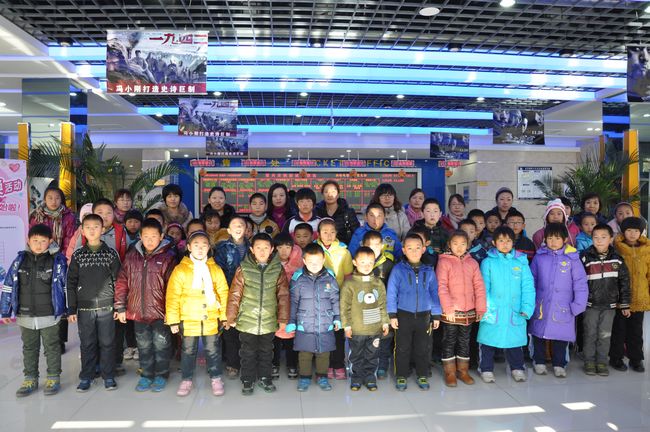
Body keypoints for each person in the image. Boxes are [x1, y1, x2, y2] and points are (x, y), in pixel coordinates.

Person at [1, 224, 67, 397]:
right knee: (29, 348)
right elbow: (9, 285)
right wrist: (5, 310)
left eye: (43, 241)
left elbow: (65, 286)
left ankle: (53, 377)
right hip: (25, 314)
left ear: (50, 241)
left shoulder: (57, 261)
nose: (38, 244)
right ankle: (30, 378)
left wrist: (68, 309)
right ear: (28, 241)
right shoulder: (19, 261)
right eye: (35, 240)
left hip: (49, 315)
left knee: (52, 347)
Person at [114, 218, 177, 392]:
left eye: (154, 236)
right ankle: (147, 374)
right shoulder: (132, 255)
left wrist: (172, 312)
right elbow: (122, 281)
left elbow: (173, 287)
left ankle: (162, 374)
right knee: (143, 346)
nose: (149, 240)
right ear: (140, 237)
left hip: (160, 313)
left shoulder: (168, 257)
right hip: (138, 311)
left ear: (161, 236)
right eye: (146, 236)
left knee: (162, 345)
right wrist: (120, 306)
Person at [166, 230, 229, 397]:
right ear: (189, 247)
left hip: (211, 317)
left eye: (204, 245)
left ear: (209, 248)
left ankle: (216, 377)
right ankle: (186, 379)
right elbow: (173, 296)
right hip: (188, 319)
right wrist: (173, 320)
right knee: (188, 350)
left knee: (213, 350)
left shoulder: (215, 269)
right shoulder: (180, 270)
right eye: (196, 245)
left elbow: (223, 293)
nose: (200, 249)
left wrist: (224, 316)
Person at [226, 233, 290, 395]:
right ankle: (247, 379)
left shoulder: (277, 269)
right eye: (258, 248)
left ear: (272, 249)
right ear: (252, 250)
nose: (262, 251)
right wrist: (231, 317)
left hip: (268, 320)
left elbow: (283, 295)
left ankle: (265, 377)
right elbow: (235, 294)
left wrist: (283, 319)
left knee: (267, 352)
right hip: (247, 320)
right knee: (247, 352)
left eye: (266, 248)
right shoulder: (243, 268)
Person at [67, 214, 121, 392]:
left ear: (103, 229)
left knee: (107, 342)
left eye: (96, 227)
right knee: (87, 343)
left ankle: (108, 376)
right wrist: (71, 309)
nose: (92, 230)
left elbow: (119, 281)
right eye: (88, 227)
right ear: (82, 231)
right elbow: (71, 283)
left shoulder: (110, 254)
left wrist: (119, 306)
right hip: (84, 308)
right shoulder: (78, 255)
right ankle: (86, 376)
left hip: (107, 307)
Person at [529, 223, 588, 378]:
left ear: (565, 240)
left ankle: (559, 364)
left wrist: (578, 305)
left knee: (560, 336)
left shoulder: (572, 259)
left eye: (557, 238)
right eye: (549, 238)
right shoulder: (539, 257)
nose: (553, 242)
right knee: (538, 334)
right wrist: (530, 302)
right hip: (541, 304)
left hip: (563, 305)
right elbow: (531, 281)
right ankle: (539, 361)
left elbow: (580, 283)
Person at [477, 226, 535, 384]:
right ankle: (486, 368)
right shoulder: (488, 262)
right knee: (488, 341)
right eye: (501, 241)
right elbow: (483, 288)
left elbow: (528, 287)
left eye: (508, 241)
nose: (505, 244)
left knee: (514, 341)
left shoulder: (521, 262)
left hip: (514, 310)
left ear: (513, 242)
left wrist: (527, 307)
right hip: (492, 310)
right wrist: (484, 308)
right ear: (494, 242)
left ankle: (517, 367)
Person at [387, 234, 441, 391]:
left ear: (423, 249)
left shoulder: (429, 270)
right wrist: (392, 314)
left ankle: (422, 374)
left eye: (418, 248)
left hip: (424, 315)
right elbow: (391, 293)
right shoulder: (398, 270)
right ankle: (401, 375)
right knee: (402, 347)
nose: (414, 251)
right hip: (403, 314)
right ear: (404, 250)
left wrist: (436, 314)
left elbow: (434, 293)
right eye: (410, 248)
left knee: (423, 347)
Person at [286, 243, 340, 392]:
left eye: (317, 261)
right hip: (305, 322)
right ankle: (304, 377)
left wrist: (337, 317)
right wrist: (292, 321)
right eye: (310, 262)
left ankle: (322, 376)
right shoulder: (298, 278)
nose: (314, 265)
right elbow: (293, 301)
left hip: (325, 322)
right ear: (304, 261)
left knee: (324, 352)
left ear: (323, 260)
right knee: (305, 352)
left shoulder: (330, 277)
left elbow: (335, 299)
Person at [436, 230, 486, 387]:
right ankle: (450, 372)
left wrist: (480, 308)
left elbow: (479, 287)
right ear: (449, 244)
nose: (459, 247)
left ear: (468, 245)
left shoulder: (472, 263)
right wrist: (448, 308)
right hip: (451, 312)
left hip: (468, 311)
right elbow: (441, 286)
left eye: (463, 244)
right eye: (455, 243)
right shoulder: (444, 262)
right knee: (449, 341)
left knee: (464, 341)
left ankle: (463, 371)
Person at [580, 223, 631, 376]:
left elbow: (624, 282)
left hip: (610, 306)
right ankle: (589, 361)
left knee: (605, 334)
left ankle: (602, 362)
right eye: (596, 237)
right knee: (590, 333)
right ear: (592, 239)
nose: (599, 240)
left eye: (603, 237)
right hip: (590, 305)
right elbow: (578, 282)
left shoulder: (617, 259)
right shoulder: (585, 257)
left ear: (611, 239)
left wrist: (625, 304)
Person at [30, 186, 76, 353]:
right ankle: (49, 339)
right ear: (44, 199)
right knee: (46, 300)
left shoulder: (69, 216)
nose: (53, 201)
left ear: (61, 199)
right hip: (41, 260)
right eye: (50, 198)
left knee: (60, 299)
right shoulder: (36, 216)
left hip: (61, 261)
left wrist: (60, 259)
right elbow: (34, 238)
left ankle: (60, 340)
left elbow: (70, 240)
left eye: (57, 198)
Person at [340, 246, 390, 391]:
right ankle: (356, 377)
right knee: (356, 356)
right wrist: (347, 326)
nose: (367, 266)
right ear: (355, 262)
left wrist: (385, 322)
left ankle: (369, 377)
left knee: (372, 355)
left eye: (370, 262)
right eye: (363, 262)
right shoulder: (349, 283)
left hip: (374, 329)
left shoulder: (378, 283)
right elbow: (344, 307)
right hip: (356, 329)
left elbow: (382, 304)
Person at [611, 217, 650, 372]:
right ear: (623, 231)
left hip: (640, 297)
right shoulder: (616, 249)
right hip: (621, 298)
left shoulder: (647, 249)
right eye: (629, 230)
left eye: (636, 231)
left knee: (636, 331)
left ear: (641, 232)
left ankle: (636, 359)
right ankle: (616, 358)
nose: (632, 234)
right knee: (619, 330)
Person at [315, 218, 353, 380]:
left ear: (336, 233)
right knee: (323, 332)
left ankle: (338, 364)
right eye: (325, 232)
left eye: (332, 232)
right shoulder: (314, 249)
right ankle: (326, 365)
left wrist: (345, 297)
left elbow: (348, 276)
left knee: (338, 332)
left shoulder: (344, 251)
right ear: (319, 233)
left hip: (337, 298)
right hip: (319, 298)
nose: (329, 235)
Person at [213, 216, 249, 379]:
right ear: (228, 230)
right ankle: (233, 364)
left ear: (246, 229)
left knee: (245, 331)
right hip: (228, 294)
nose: (238, 228)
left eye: (241, 225)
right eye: (234, 225)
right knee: (229, 330)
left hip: (248, 295)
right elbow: (218, 272)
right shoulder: (222, 248)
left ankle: (245, 362)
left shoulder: (253, 247)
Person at [362, 230, 395, 378]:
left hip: (384, 307)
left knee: (385, 337)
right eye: (369, 245)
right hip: (365, 308)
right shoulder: (359, 262)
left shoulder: (389, 263)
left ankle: (382, 364)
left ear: (382, 246)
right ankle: (367, 364)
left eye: (376, 245)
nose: (373, 249)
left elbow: (393, 287)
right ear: (363, 246)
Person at [273, 232, 302, 379]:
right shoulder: (270, 265)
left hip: (292, 306)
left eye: (287, 247)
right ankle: (274, 364)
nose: (284, 251)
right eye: (280, 247)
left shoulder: (299, 266)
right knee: (274, 337)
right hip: (274, 306)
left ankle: (292, 364)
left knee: (292, 335)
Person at [315, 180, 360, 245]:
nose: (330, 195)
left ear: (338, 194)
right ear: (322, 194)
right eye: (326, 192)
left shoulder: (348, 212)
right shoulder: (317, 212)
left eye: (333, 192)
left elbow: (356, 234)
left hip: (344, 249)